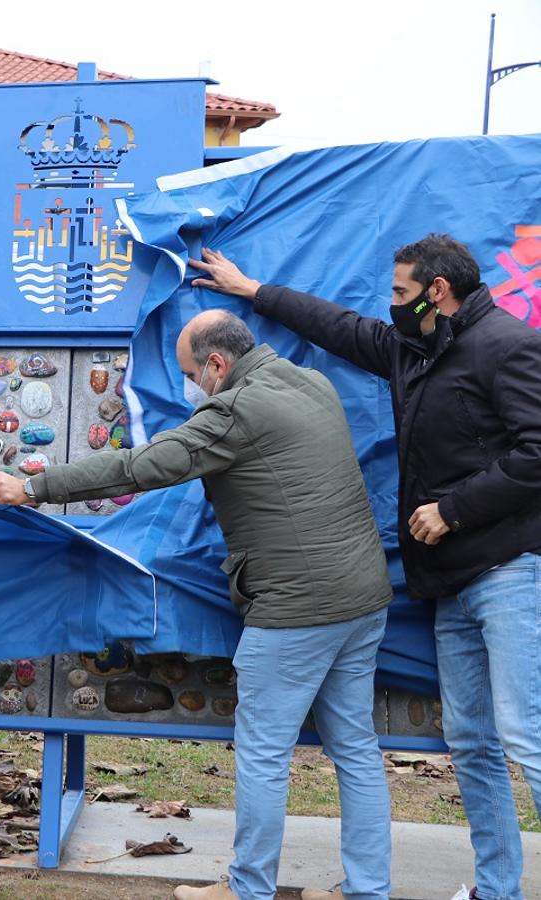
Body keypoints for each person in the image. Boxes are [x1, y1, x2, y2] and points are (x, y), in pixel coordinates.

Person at [0, 311, 393, 900]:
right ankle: (368, 891)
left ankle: (246, 889)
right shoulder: (311, 382)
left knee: (264, 757)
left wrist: (34, 487)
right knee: (355, 749)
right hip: (364, 598)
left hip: (297, 610)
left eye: (189, 374)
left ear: (217, 365)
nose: (188, 387)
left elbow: (139, 467)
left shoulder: (234, 411)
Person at [191, 235, 541, 900]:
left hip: (510, 571)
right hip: (451, 584)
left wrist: (455, 510)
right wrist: (251, 291)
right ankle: (501, 890)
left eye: (401, 293)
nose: (392, 304)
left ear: (438, 291)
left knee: (528, 731)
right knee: (472, 745)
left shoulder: (506, 345)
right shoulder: (413, 349)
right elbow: (340, 328)